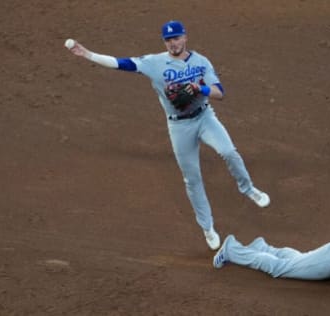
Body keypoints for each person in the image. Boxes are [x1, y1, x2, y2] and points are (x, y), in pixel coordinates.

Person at [65, 21, 270, 250]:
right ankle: (207, 227)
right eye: (168, 40)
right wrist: (88, 54)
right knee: (192, 178)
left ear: (185, 38)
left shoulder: (201, 62)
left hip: (204, 118)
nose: (173, 43)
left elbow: (219, 93)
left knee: (229, 151)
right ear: (165, 42)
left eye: (177, 38)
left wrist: (198, 88)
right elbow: (122, 64)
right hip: (179, 127)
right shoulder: (155, 63)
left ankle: (248, 188)